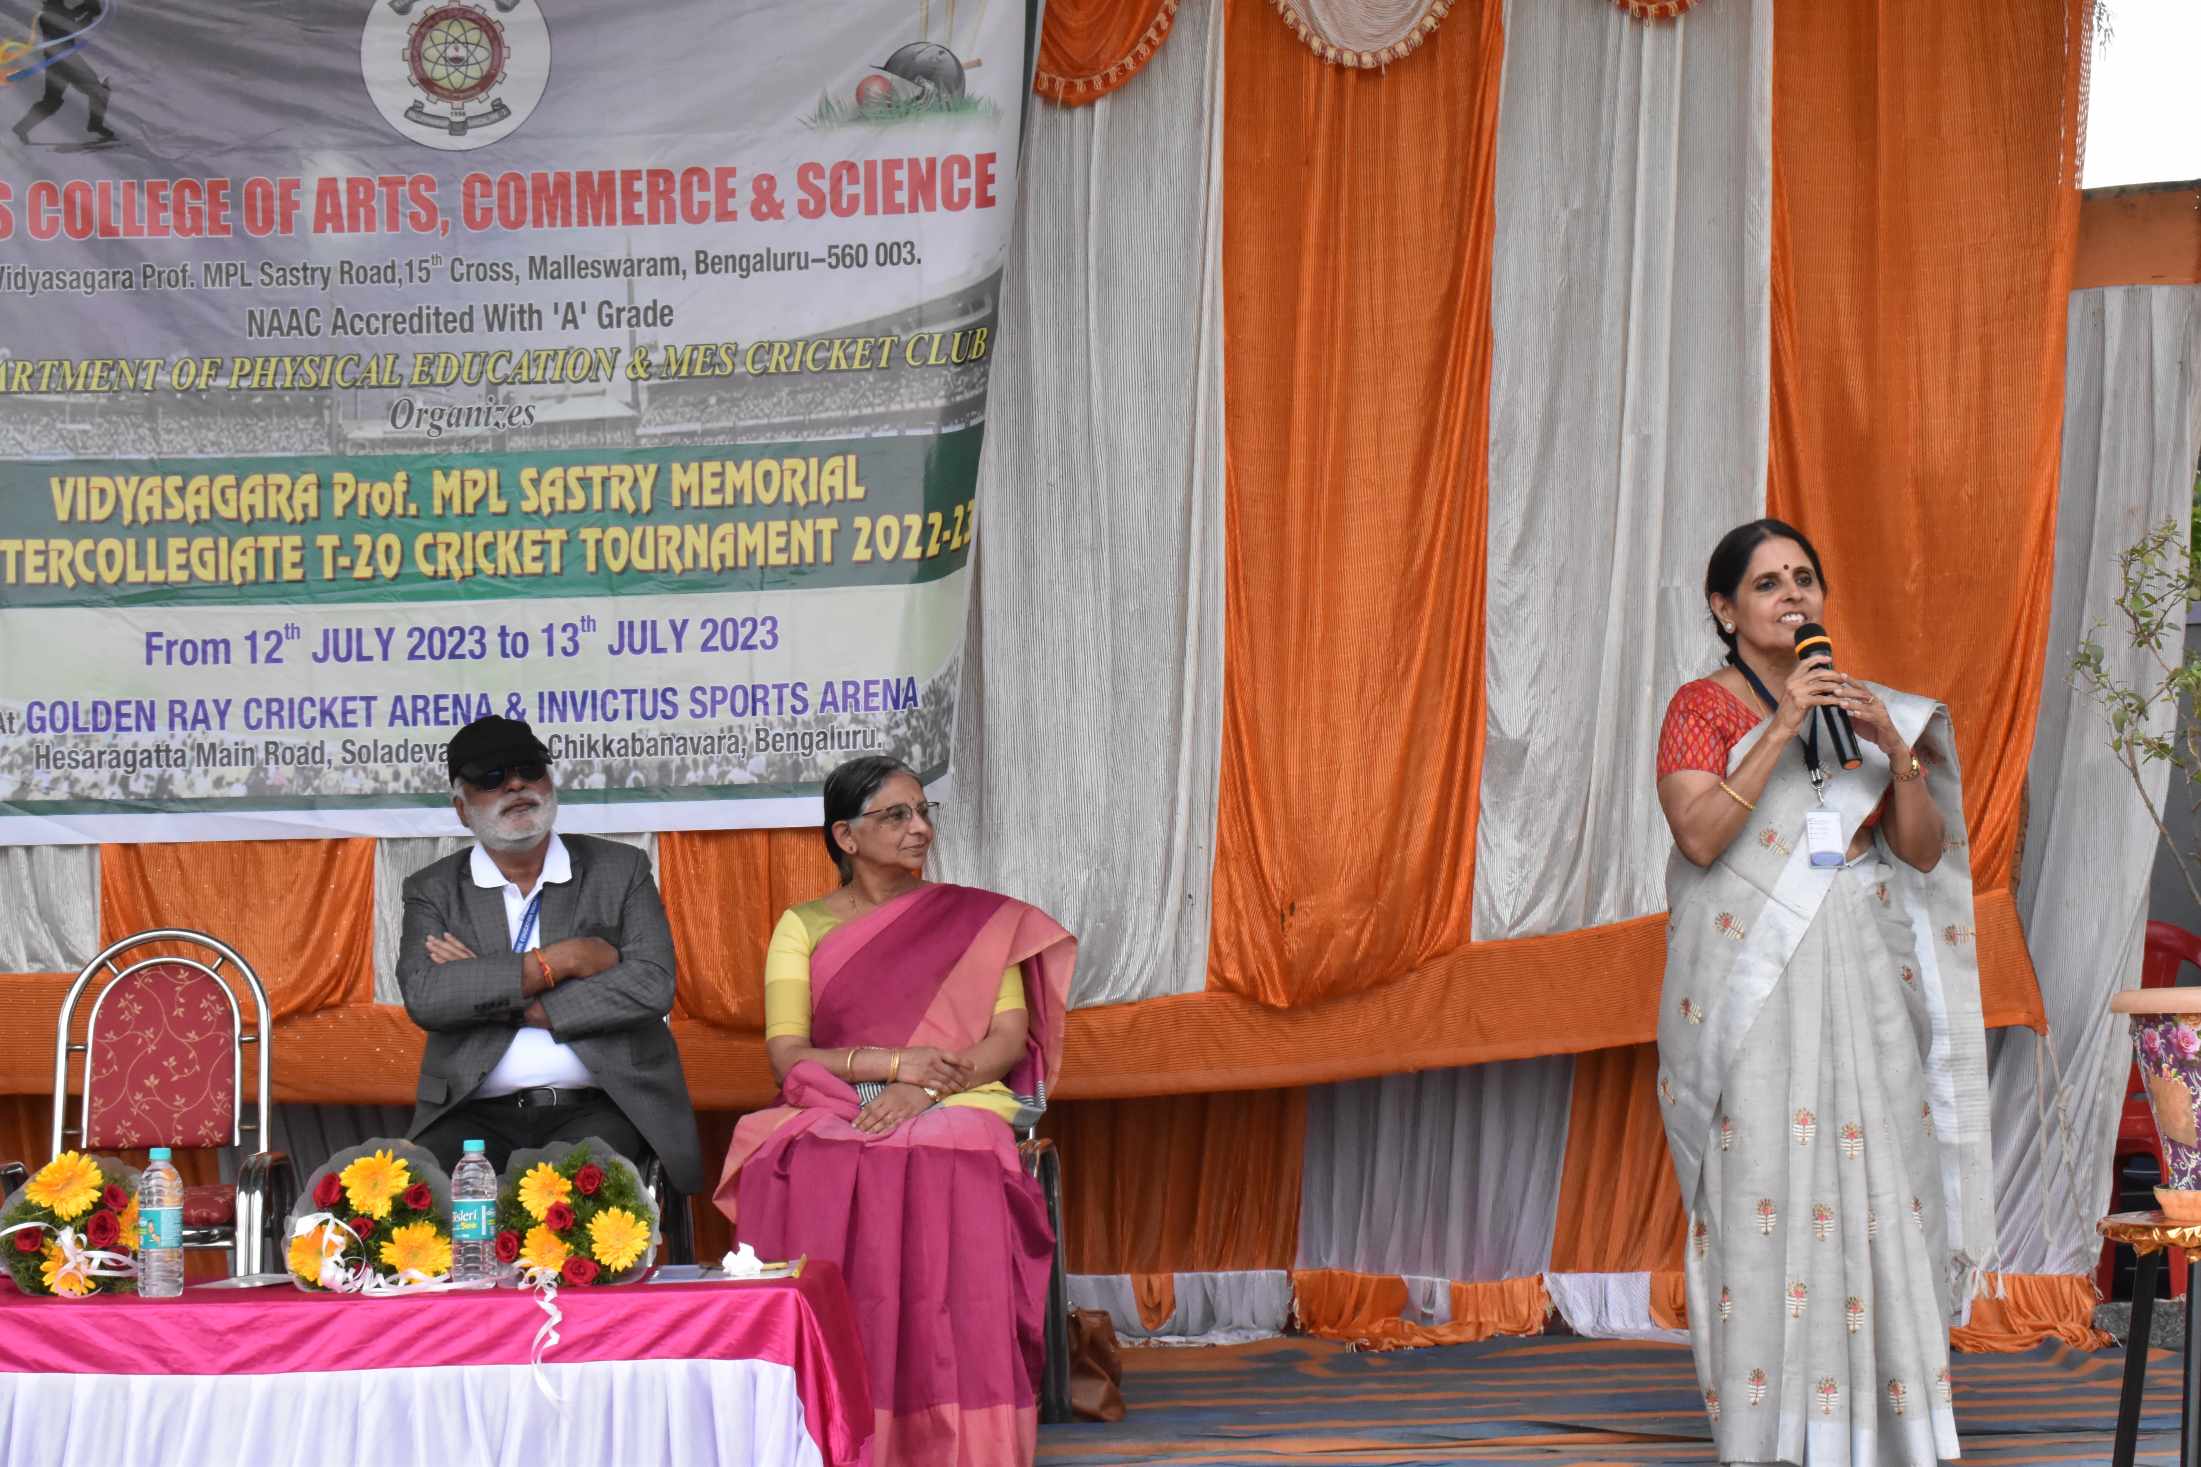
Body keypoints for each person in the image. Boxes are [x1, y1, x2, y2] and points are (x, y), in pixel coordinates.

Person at [1655, 519, 1994, 1465]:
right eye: (1766, 583)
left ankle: (1895, 1427)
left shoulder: (1859, 708)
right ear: (1724, 609)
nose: (1791, 595)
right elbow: (1697, 837)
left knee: (1885, 1176)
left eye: (1803, 577)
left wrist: (1896, 750)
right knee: (1765, 1177)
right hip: (1757, 989)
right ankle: (1772, 1433)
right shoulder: (1699, 709)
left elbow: (1918, 851)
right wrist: (1781, 724)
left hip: (1864, 968)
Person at [714, 755, 1075, 1467]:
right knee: (805, 1156)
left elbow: (1005, 1041)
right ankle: (829, 1413)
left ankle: (956, 1428)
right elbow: (788, 1054)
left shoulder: (980, 921)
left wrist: (927, 1089)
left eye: (923, 813)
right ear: (846, 836)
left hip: (961, 1093)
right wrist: (891, 1065)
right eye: (897, 816)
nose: (920, 829)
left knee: (945, 1150)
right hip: (840, 1094)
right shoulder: (802, 925)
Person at [396, 714, 703, 1198]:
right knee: (410, 1200)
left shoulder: (619, 869)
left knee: (573, 1201)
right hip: (471, 1114)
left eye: (529, 770)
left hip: (602, 1105)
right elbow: (428, 997)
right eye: (491, 778)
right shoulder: (434, 890)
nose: (516, 785)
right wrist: (565, 960)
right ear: (461, 809)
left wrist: (487, 988)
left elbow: (651, 984)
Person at [11, 0, 116, 144]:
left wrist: (89, 9)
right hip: (66, 62)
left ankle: (22, 128)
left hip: (59, 62)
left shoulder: (54, 12)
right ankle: (95, 125)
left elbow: (72, 18)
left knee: (52, 101)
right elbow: (72, 26)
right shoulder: (48, 15)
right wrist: (89, 11)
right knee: (98, 91)